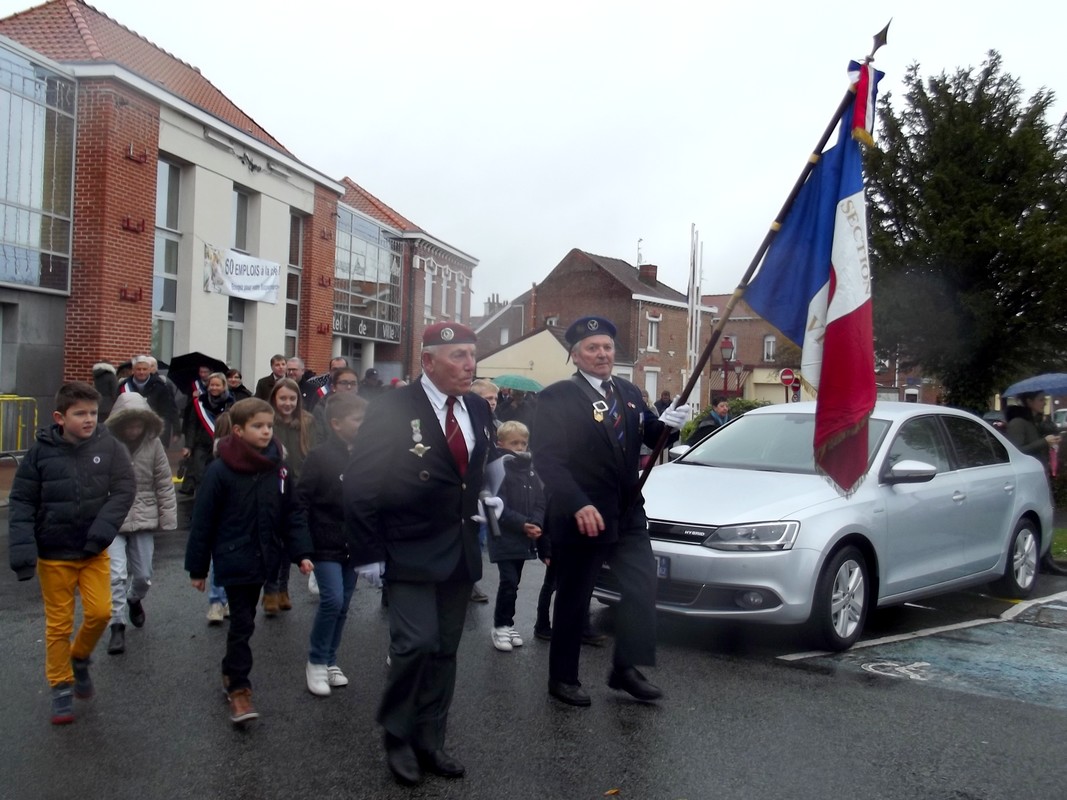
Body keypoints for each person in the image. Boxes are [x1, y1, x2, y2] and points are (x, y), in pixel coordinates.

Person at [344, 322, 497, 786]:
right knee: (415, 644)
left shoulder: (476, 407)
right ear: (428, 361)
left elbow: (473, 471)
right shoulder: (393, 407)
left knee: (445, 649)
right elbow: (362, 481)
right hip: (408, 544)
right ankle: (397, 735)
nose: (469, 365)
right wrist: (367, 550)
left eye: (472, 355)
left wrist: (487, 499)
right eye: (458, 356)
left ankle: (431, 738)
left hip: (460, 545)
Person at [532, 316, 689, 707]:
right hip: (582, 514)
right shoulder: (557, 398)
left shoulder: (629, 391)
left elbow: (648, 435)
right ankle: (562, 677)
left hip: (627, 510)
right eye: (592, 348)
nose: (602, 354)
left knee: (642, 585)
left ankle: (626, 668)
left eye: (606, 347)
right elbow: (548, 461)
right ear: (575, 355)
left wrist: (670, 425)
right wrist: (577, 503)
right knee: (575, 596)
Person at [8, 381, 135, 724]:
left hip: (94, 551)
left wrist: (103, 532)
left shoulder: (108, 446)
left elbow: (124, 489)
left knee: (101, 612)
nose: (89, 419)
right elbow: (22, 501)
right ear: (60, 418)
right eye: (80, 414)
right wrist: (23, 552)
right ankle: (61, 687)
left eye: (93, 413)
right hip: (54, 555)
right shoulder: (40, 453)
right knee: (59, 625)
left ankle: (79, 657)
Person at [185, 398, 314, 726]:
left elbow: (292, 512)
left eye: (269, 426)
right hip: (234, 556)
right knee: (242, 623)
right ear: (239, 431)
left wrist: (302, 553)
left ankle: (230, 671)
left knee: (247, 621)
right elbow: (203, 521)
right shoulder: (219, 471)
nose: (266, 431)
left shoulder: (279, 468)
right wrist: (198, 568)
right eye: (258, 426)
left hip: (266, 557)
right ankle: (239, 688)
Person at [297, 392, 369, 696]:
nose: (364, 424)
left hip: (354, 543)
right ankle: (315, 661)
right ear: (337, 424)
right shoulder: (320, 456)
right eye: (358, 419)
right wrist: (302, 546)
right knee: (333, 600)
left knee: (344, 604)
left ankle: (330, 660)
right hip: (325, 541)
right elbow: (301, 501)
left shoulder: (366, 454)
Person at [102, 392, 177, 655]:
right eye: (129, 425)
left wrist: (168, 518)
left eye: (138, 425)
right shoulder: (106, 445)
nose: (134, 430)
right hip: (112, 516)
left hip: (144, 514)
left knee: (143, 574)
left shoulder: (154, 445)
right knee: (116, 575)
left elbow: (163, 482)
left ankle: (135, 598)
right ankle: (117, 624)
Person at [263, 377, 320, 613]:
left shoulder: (308, 421)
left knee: (288, 542)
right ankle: (269, 589)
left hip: (299, 487)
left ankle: (283, 588)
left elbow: (314, 452)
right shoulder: (267, 421)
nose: (287, 403)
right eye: (283, 398)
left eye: (292, 398)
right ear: (274, 399)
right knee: (272, 541)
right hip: (273, 486)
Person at [488, 421, 546, 652]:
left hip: (523, 537)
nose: (520, 447)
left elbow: (540, 501)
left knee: (515, 582)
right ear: (501, 444)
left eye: (523, 443)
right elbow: (497, 506)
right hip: (504, 536)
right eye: (514, 443)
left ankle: (508, 623)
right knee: (509, 581)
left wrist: (536, 522)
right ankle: (500, 625)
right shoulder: (498, 469)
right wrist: (522, 524)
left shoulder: (530, 470)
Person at [1004, 392, 1066, 575]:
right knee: (1036, 514)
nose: (1044, 403)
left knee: (1046, 513)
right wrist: (1043, 442)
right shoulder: (1018, 423)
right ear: (1029, 401)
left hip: (1039, 474)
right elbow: (1017, 450)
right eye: (1040, 400)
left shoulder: (1035, 421)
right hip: (1027, 478)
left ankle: (1045, 558)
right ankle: (1042, 559)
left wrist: (1050, 439)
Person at [179, 372, 234, 496]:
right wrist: (188, 446)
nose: (214, 388)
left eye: (217, 385)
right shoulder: (199, 402)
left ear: (224, 386)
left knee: (218, 475)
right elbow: (192, 425)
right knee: (200, 476)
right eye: (211, 385)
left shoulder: (230, 402)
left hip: (222, 444)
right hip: (201, 444)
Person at [119, 354, 179, 446]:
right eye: (138, 369)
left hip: (153, 433)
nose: (141, 372)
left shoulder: (160, 386)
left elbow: (166, 413)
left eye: (144, 369)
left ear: (149, 370)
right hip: (129, 433)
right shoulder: (123, 387)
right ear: (133, 370)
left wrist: (163, 435)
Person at [311, 366, 359, 442]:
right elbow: (318, 440)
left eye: (353, 383)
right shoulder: (321, 410)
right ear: (333, 387)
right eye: (344, 383)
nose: (349, 387)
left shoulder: (365, 409)